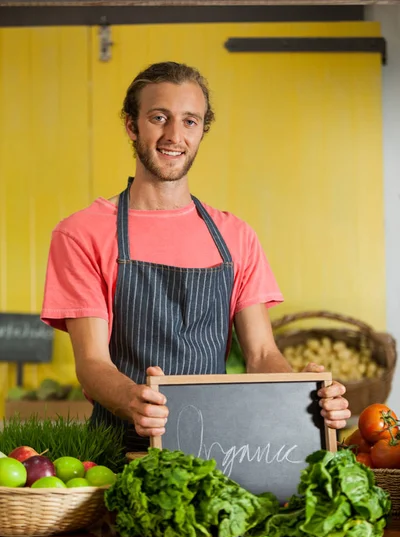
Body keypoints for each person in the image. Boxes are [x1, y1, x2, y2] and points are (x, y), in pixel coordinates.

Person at [41, 61, 350, 452]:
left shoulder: (235, 235)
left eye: (190, 121)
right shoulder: (82, 233)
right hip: (118, 452)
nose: (174, 135)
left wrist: (302, 392)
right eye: (159, 117)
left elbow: (261, 353)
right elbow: (91, 364)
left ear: (202, 130)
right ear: (131, 125)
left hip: (219, 451)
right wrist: (132, 399)